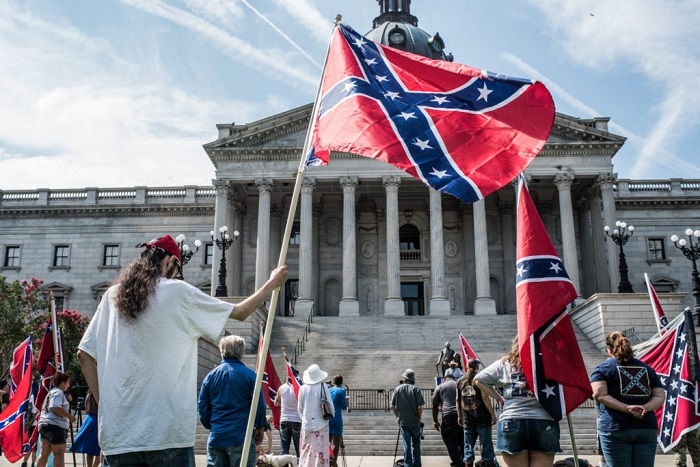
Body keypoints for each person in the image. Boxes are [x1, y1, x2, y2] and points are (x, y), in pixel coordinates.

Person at [77, 234, 288, 466]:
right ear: (169, 261)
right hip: (166, 435)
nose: (176, 275)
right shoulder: (177, 292)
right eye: (178, 268)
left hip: (119, 436)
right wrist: (272, 283)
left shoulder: (111, 296)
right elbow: (239, 312)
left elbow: (84, 355)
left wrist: (105, 403)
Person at [474, 338, 560, 467]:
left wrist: (499, 398)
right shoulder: (549, 361)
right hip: (544, 418)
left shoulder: (504, 363)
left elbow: (478, 379)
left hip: (512, 419)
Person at [590, 331, 665, 467]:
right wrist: (645, 407)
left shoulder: (603, 368)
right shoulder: (647, 368)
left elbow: (598, 394)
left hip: (616, 427)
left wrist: (627, 408)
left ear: (609, 348)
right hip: (646, 427)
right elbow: (660, 395)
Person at [198, 335, 266, 467]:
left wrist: (212, 425)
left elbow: (202, 407)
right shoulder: (250, 376)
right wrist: (260, 426)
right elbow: (259, 405)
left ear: (222, 350)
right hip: (241, 437)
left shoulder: (210, 376)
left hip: (217, 436)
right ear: (241, 351)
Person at [457, 359, 497, 467]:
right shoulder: (480, 379)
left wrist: (459, 416)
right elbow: (484, 397)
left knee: (468, 450)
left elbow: (457, 399)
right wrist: (492, 414)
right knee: (487, 449)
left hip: (467, 418)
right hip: (482, 418)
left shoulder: (460, 380)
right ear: (476, 367)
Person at [36, 372, 76, 467]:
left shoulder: (52, 392)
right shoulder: (58, 392)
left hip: (45, 425)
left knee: (44, 454)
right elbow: (54, 406)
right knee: (59, 454)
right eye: (67, 383)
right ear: (62, 383)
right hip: (55, 426)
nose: (68, 385)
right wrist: (69, 416)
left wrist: (66, 400)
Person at [297, 364, 334, 467]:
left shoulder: (303, 388)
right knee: (321, 453)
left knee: (305, 451)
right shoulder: (323, 387)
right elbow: (330, 406)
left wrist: (304, 419)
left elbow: (299, 408)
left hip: (306, 424)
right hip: (322, 423)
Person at [390, 369, 425, 467]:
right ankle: (417, 463)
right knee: (416, 444)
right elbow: (420, 407)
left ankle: (408, 464)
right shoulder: (416, 389)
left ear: (405, 378)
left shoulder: (397, 389)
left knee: (406, 444)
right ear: (413, 379)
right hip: (415, 421)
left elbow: (392, 406)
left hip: (403, 422)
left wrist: (397, 416)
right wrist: (419, 417)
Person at [432, 368, 463, 467]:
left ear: (445, 378)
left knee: (450, 442)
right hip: (460, 417)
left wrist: (435, 421)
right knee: (462, 441)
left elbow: (435, 405)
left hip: (448, 417)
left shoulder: (440, 387)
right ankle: (463, 461)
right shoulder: (460, 385)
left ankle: (457, 462)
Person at [69, 390, 101, 467]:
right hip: (97, 419)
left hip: (89, 419)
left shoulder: (89, 394)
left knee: (90, 449)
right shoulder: (97, 393)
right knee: (100, 449)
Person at [274, 377, 302, 457]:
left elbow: (275, 404)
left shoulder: (281, 388)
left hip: (284, 419)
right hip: (297, 420)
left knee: (284, 449)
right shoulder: (299, 388)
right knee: (299, 449)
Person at [328, 374, 348, 467]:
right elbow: (343, 406)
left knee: (327, 442)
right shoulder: (341, 391)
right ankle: (334, 463)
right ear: (341, 382)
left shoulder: (329, 390)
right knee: (336, 443)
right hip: (337, 417)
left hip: (328, 417)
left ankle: (328, 460)